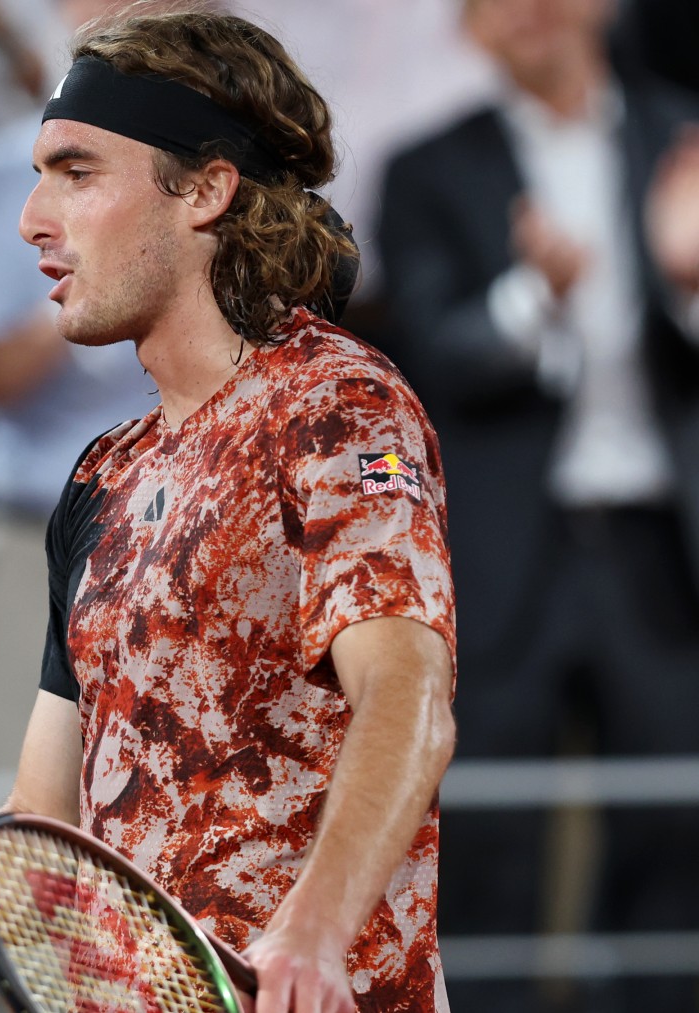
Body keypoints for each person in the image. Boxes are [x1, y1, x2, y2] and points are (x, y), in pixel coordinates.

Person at [0, 10, 458, 1013]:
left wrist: (316, 926)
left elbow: (408, 695)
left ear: (206, 189)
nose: (33, 217)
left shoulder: (341, 407)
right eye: (39, 173)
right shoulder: (99, 478)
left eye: (77, 173)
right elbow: (46, 833)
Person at [377, 0, 699, 1008]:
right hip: (503, 551)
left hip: (658, 544)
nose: (527, 13)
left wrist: (688, 281)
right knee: (485, 833)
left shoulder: (679, 139)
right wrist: (532, 296)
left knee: (672, 823)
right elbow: (432, 352)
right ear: (468, 28)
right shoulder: (429, 167)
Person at [0, 0, 161, 776]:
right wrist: (91, 285)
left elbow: (374, 458)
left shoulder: (232, 173)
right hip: (34, 535)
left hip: (195, 530)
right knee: (15, 822)